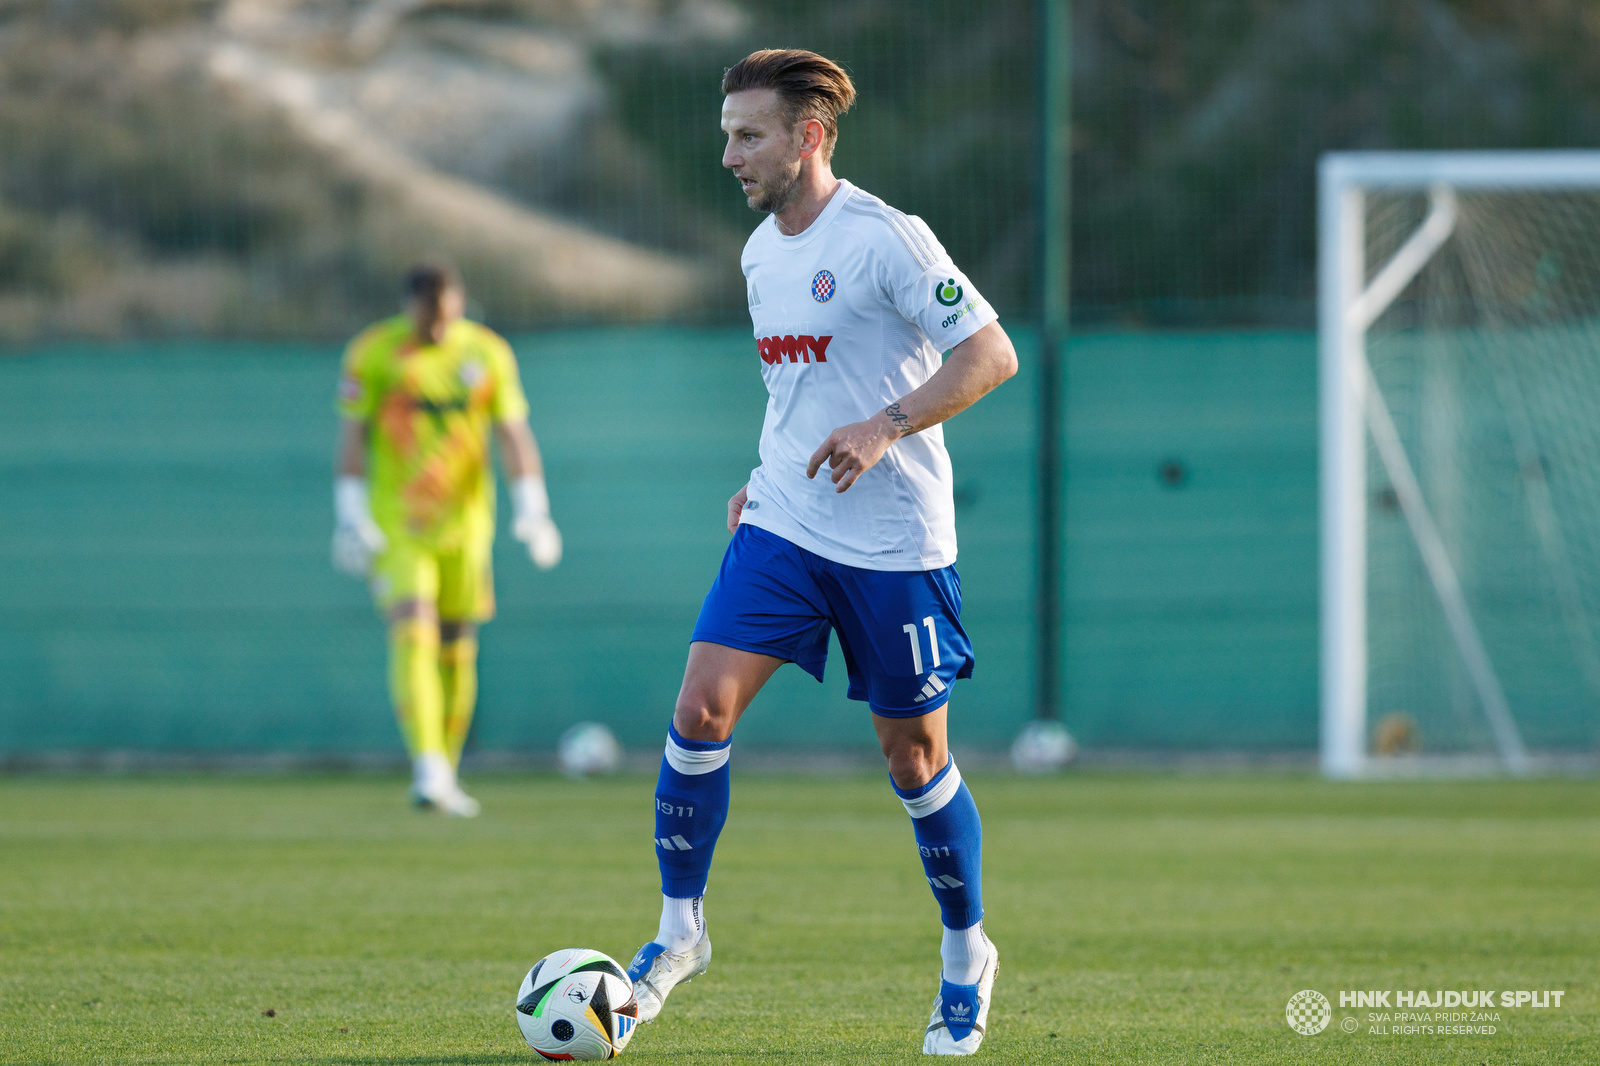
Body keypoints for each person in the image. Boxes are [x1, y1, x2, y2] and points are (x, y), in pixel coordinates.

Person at [625, 50, 1018, 1056]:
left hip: (895, 543)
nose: (729, 154)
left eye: (747, 134)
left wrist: (886, 425)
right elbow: (797, 391)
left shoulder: (888, 239)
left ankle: (967, 953)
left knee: (914, 757)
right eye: (724, 134)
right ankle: (678, 932)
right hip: (787, 525)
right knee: (698, 707)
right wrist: (763, 477)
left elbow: (990, 354)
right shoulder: (760, 253)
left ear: (811, 136)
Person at [332, 264, 562, 817]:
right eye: (427, 320)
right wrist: (350, 514)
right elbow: (353, 436)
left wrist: (534, 509)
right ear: (407, 307)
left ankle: (445, 771)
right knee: (413, 629)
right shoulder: (374, 353)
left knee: (458, 647)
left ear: (459, 306)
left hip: (465, 526)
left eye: (446, 319)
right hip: (399, 524)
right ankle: (427, 764)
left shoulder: (486, 354)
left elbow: (512, 432)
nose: (437, 331)